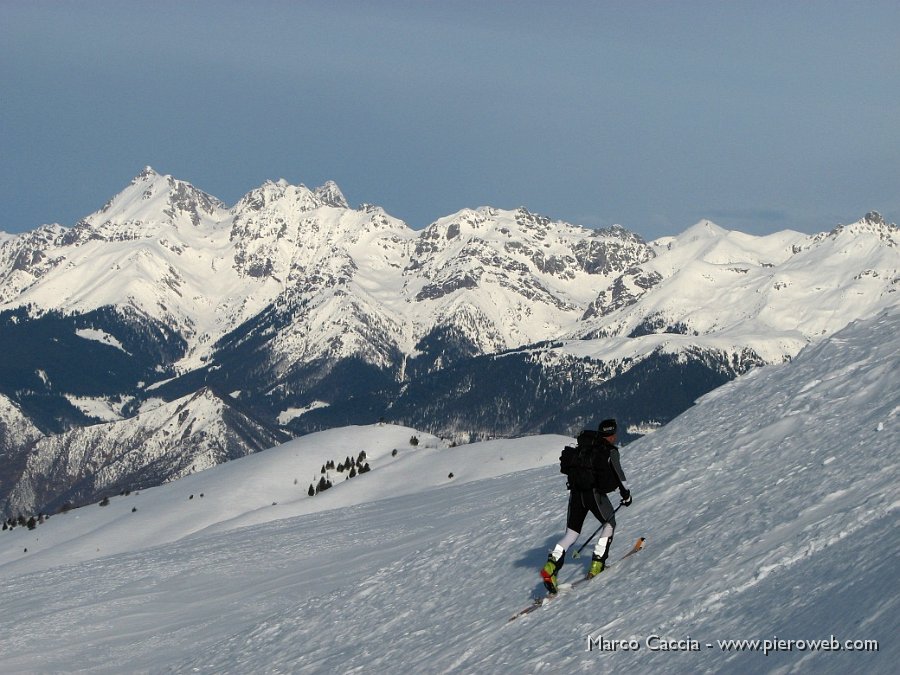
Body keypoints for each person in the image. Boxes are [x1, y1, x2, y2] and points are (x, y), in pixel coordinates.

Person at [540, 418, 632, 593]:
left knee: (571, 534)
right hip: (594, 494)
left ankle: (550, 568)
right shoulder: (608, 451)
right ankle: (597, 564)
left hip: (576, 493)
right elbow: (618, 473)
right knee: (609, 524)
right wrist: (626, 494)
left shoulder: (586, 446)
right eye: (615, 434)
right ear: (612, 435)